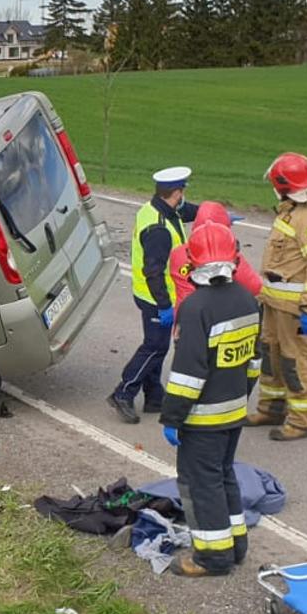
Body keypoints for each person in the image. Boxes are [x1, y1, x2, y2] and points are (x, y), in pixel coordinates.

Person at [159, 221, 262, 577]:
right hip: (234, 413)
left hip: (203, 420)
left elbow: (188, 373)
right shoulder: (248, 300)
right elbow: (254, 362)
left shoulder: (196, 308)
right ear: (234, 257)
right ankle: (236, 546)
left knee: (202, 485)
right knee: (224, 477)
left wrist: (172, 418)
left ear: (193, 261)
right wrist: (240, 399)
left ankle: (212, 557)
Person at [250, 152, 307, 441]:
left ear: (282, 183)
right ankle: (272, 407)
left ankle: (303, 419)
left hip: (294, 308)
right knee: (272, 357)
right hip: (275, 303)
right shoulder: (291, 210)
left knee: (296, 361)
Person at [109, 166, 201, 424]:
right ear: (177, 192)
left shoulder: (158, 208)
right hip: (155, 297)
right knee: (155, 346)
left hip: (152, 295)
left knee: (156, 345)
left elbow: (188, 211)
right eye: (182, 191)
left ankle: (154, 396)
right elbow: (154, 271)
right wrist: (164, 305)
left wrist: (212, 214)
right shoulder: (158, 229)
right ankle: (123, 393)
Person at [169, 201, 262, 306]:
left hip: (184, 313)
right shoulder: (229, 257)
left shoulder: (177, 254)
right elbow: (255, 287)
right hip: (216, 315)